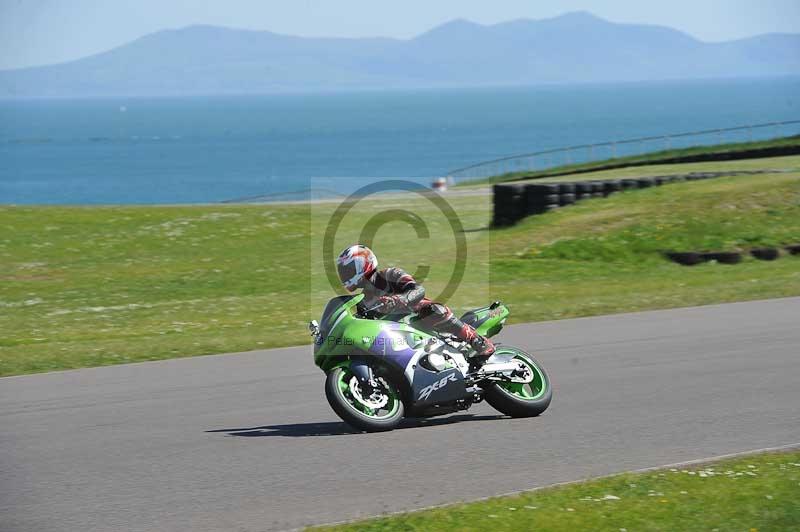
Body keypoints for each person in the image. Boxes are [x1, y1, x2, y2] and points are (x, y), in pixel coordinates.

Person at [335, 244, 495, 357]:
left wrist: (399, 299)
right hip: (396, 335)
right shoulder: (362, 301)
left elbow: (418, 290)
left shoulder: (390, 274)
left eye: (348, 270)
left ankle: (476, 340)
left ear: (363, 265)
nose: (345, 275)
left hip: (418, 318)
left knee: (433, 309)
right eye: (343, 272)